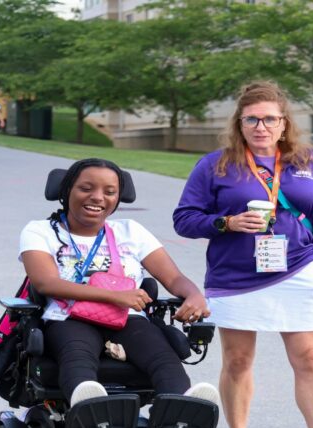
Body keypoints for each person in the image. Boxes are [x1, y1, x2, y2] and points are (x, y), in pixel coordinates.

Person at [173, 81, 313, 428]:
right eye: (252, 119)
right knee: (239, 361)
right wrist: (226, 222)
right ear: (239, 123)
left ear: (284, 123)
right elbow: (184, 219)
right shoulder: (215, 165)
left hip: (297, 272)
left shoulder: (309, 162)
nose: (261, 126)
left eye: (269, 119)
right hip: (236, 275)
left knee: (309, 360)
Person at [20, 157, 218, 407]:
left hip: (127, 318)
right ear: (66, 190)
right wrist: (115, 296)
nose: (98, 197)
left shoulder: (130, 231)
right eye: (86, 188)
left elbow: (173, 277)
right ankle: (91, 409)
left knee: (162, 357)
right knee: (77, 357)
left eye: (110, 192)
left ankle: (180, 414)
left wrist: (194, 294)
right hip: (68, 316)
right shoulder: (41, 231)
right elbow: (46, 283)